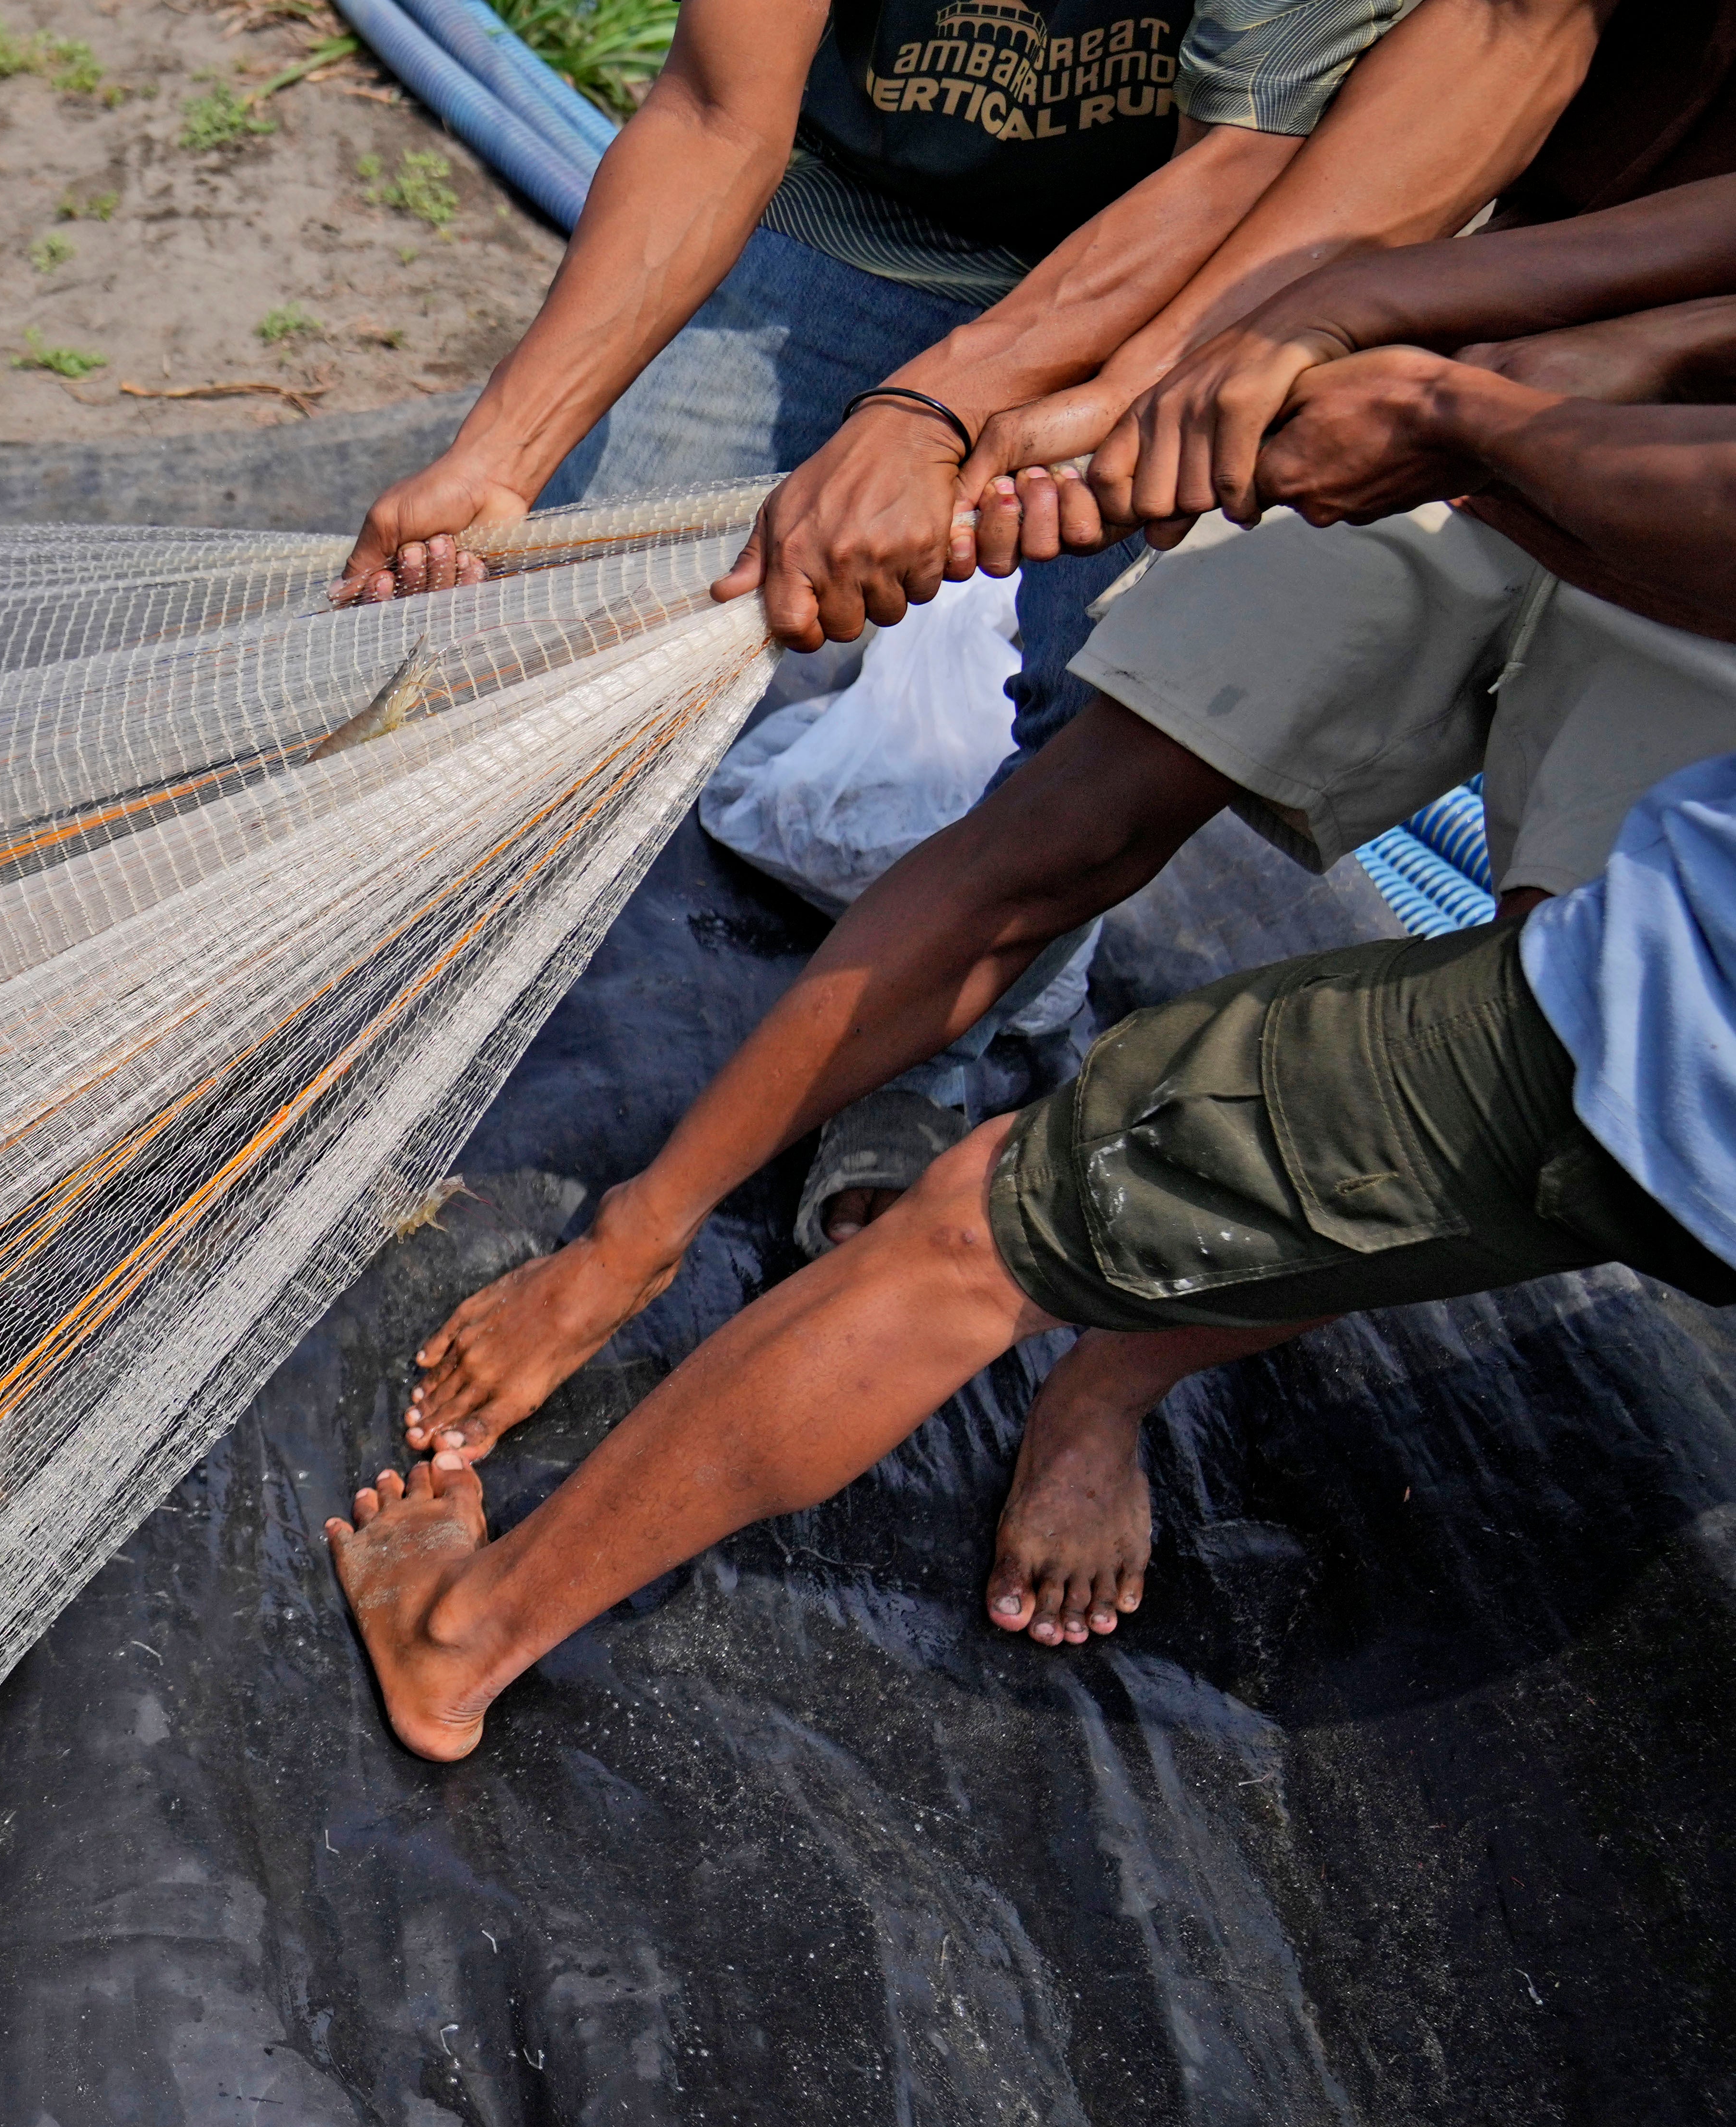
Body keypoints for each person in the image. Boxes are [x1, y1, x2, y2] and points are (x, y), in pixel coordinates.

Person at [392, 164, 1736, 1652]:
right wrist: (1243, 365)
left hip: (1662, 498)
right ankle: (630, 1242)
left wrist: (1472, 431)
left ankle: (1109, 1379)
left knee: (1526, 1028)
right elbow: (1438, 130)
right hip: (1495, 349)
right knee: (1071, 824)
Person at [334, 745, 1736, 1761]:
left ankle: (467, 1634)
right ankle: (1093, 1374)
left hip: (1668, 1005)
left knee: (983, 1233)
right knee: (1426, 1159)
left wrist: (1465, 428)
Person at [334, 0, 1604, 746]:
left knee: (1109, 697)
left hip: (1191, 259)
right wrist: (500, 456)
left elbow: (1246, 164)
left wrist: (939, 410)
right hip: (852, 206)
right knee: (546, 612)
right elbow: (719, 117)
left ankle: (951, 1078)